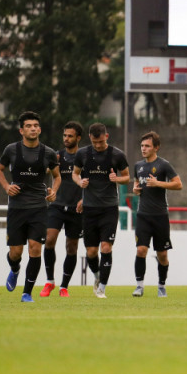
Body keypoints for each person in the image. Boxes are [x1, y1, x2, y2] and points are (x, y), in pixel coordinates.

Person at [0, 111, 61, 303]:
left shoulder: (48, 152)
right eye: (29, 126)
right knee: (16, 252)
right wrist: (7, 186)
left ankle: (27, 293)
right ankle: (15, 269)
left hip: (39, 207)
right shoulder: (11, 150)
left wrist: (54, 191)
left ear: (39, 129)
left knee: (35, 248)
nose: (33, 128)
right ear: (21, 130)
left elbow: (57, 176)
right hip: (16, 207)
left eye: (36, 125)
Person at [72, 123, 131, 299]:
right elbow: (75, 174)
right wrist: (79, 182)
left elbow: (127, 176)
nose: (98, 145)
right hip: (89, 208)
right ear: (90, 138)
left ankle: (102, 288)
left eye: (101, 141)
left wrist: (117, 179)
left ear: (107, 136)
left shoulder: (117, 155)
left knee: (106, 247)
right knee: (91, 252)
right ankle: (97, 276)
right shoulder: (82, 154)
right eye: (95, 141)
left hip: (109, 208)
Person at [131, 131, 182, 298]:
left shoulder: (164, 165)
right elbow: (137, 185)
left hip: (160, 216)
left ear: (156, 148)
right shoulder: (138, 166)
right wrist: (136, 189)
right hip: (143, 215)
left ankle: (161, 285)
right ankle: (139, 286)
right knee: (141, 250)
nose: (143, 149)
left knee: (162, 255)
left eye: (147, 146)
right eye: (142, 146)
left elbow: (178, 184)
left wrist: (158, 183)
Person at [40, 121, 83, 298]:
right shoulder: (56, 156)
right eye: (64, 135)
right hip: (56, 206)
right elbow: (46, 174)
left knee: (71, 247)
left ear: (78, 138)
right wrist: (51, 191)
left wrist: (84, 199)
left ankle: (64, 286)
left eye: (70, 136)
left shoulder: (85, 158)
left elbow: (93, 183)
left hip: (77, 208)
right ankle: (49, 281)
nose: (66, 139)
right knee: (49, 240)